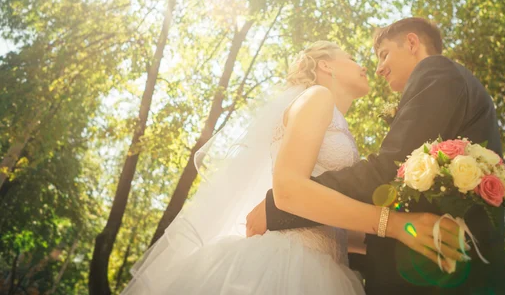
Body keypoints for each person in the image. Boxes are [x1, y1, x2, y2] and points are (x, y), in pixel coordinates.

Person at [122, 40, 463, 295]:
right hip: (284, 265)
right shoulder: (317, 97)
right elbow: (288, 192)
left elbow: (333, 223)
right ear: (326, 66)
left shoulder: (338, 124)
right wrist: (396, 225)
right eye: (353, 58)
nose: (367, 67)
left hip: (329, 268)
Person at [247, 18, 505, 294]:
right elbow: (396, 194)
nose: (377, 68)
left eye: (384, 54)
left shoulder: (436, 70)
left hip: (445, 271)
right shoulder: (319, 102)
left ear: (412, 43)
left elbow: (390, 169)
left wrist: (278, 208)